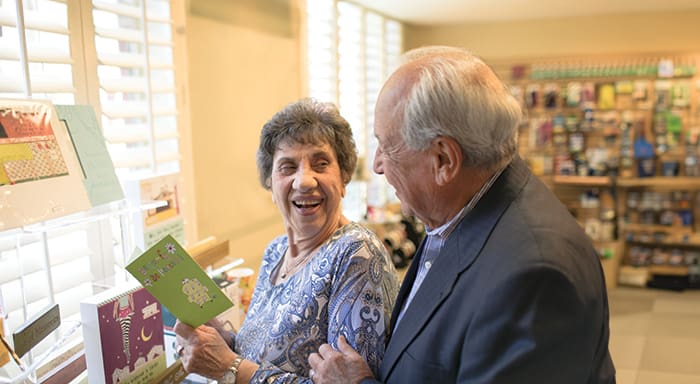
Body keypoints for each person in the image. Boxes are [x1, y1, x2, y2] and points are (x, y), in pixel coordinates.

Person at [308, 46, 616, 383]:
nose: (378, 164)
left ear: (443, 161)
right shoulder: (459, 210)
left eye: (387, 146)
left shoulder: (531, 276)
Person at [175, 98, 399, 383]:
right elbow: (269, 357)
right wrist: (225, 343)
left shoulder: (357, 254)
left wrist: (228, 367)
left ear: (343, 179)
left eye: (321, 164)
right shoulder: (275, 251)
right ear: (270, 183)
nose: (304, 181)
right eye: (288, 167)